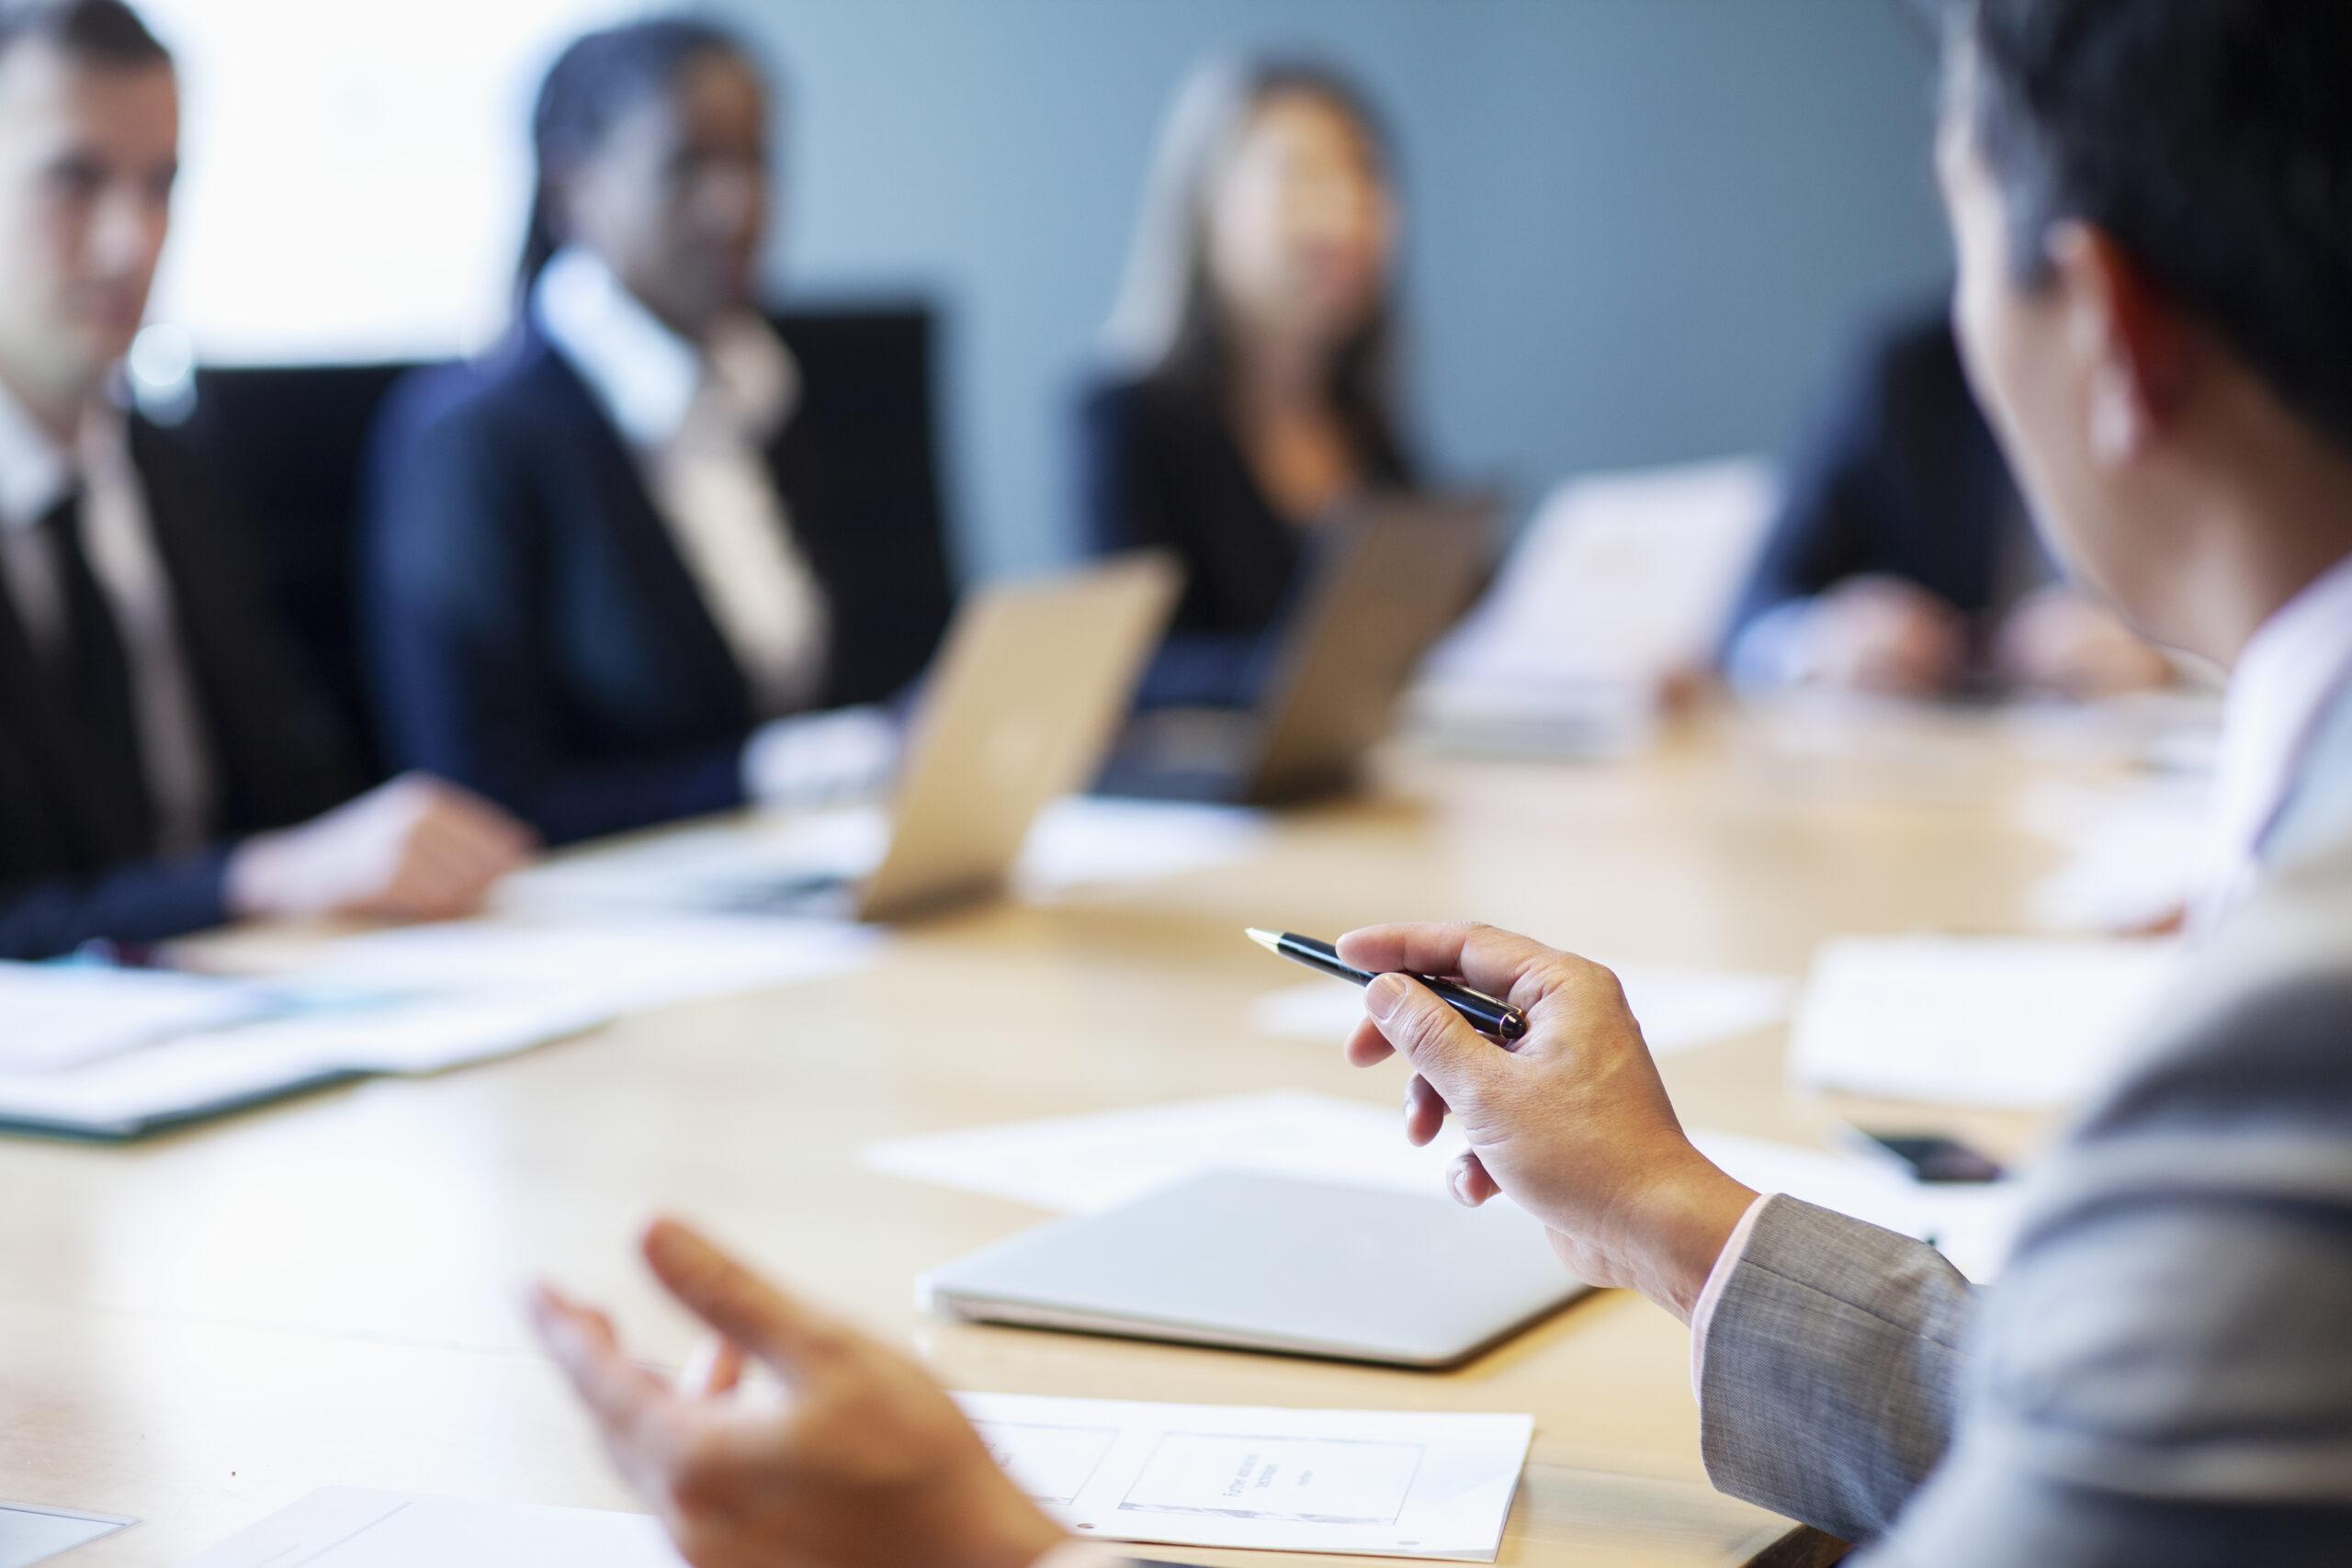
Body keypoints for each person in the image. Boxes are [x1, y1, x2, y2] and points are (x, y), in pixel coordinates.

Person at [530, 1, 2352, 1562]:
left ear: (2103, 330)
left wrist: (989, 1549)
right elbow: (2079, 1394)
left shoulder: (2291, 1008)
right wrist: (1654, 1198)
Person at [0, 0, 530, 962]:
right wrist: (256, 878)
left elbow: (301, 798)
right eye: (74, 182)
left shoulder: (176, 473)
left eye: (161, 186)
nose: (134, 242)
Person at [363, 18, 948, 847]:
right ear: (573, 191)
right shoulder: (476, 438)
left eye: (756, 160)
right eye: (688, 166)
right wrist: (796, 767)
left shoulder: (774, 392)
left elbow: (874, 667)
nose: (738, 205)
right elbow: (484, 801)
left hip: (806, 878)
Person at [1078, 58, 1419, 708]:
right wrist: (1332, 671)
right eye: (1300, 176)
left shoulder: (1360, 417)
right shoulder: (1130, 419)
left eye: (1365, 173)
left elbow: (1454, 609)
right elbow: (1125, 670)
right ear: (1207, 208)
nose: (1345, 210)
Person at [1723, 305, 2176, 700]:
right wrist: (1821, 640)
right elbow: (1753, 613)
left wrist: (2167, 652)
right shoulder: (1908, 371)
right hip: (1922, 763)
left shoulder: (2183, 360)